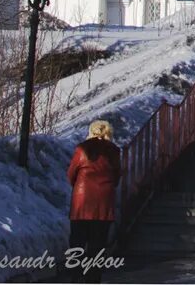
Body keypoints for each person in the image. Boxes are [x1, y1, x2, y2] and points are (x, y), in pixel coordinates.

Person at [67, 120, 121, 282]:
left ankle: (76, 278)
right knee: (97, 245)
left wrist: (78, 187)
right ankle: (93, 278)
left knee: (77, 243)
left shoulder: (81, 149)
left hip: (81, 204)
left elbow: (71, 174)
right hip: (103, 205)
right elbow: (117, 176)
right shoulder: (114, 151)